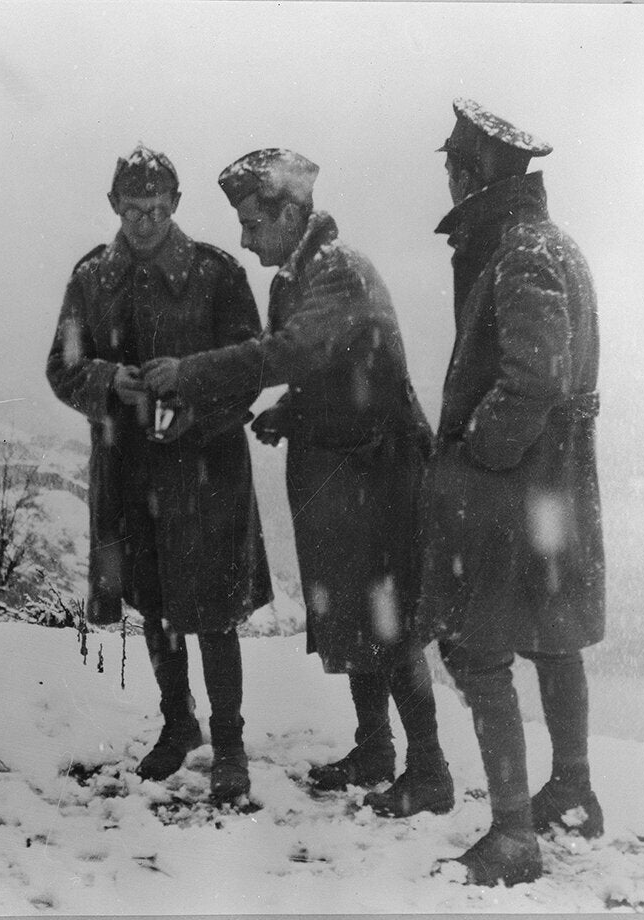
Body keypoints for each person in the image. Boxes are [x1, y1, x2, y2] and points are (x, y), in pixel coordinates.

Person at [143, 149, 452, 818]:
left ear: (289, 213)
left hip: (380, 470)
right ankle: (376, 750)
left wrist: (191, 373)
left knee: (387, 621)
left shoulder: (335, 272)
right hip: (345, 467)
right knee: (352, 613)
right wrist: (292, 408)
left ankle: (430, 770)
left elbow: (292, 352)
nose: (247, 239)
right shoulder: (300, 274)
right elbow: (327, 367)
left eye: (255, 224)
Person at [46, 145, 273, 802]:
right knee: (153, 603)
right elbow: (61, 367)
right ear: (114, 206)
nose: (145, 222)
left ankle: (228, 744)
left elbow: (251, 367)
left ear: (176, 205)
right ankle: (179, 727)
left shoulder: (218, 273)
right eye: (133, 209)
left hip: (206, 469)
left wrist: (195, 405)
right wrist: (103, 379)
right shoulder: (90, 278)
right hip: (128, 470)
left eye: (157, 208)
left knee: (212, 611)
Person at [422, 99, 605, 886]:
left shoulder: (520, 252)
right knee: (553, 635)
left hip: (514, 480)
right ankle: (571, 792)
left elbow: (533, 379)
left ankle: (513, 836)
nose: (451, 181)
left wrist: (473, 454)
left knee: (476, 646)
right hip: (553, 481)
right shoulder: (546, 242)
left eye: (454, 167)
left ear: (475, 171)